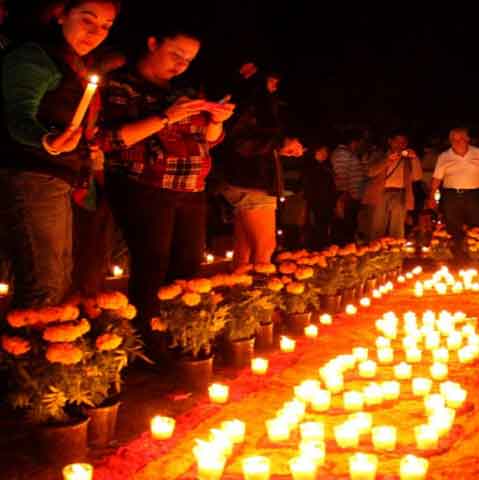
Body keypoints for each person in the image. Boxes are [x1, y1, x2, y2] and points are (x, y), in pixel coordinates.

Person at [97, 25, 235, 326]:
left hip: (192, 188)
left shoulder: (183, 92)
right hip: (144, 185)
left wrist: (217, 120)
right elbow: (111, 140)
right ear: (152, 43)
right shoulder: (122, 85)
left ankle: (181, 334)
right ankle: (148, 336)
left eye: (188, 60)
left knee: (188, 268)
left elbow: (207, 140)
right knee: (152, 266)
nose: (181, 65)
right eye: (176, 54)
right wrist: (165, 117)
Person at [0, 0, 120, 308]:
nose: (96, 32)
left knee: (60, 282)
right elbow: (18, 117)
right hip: (33, 174)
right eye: (87, 20)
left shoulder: (75, 64)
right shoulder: (33, 57)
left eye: (106, 26)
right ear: (60, 14)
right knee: (44, 285)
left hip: (62, 175)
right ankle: (27, 338)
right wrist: (47, 140)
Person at [213, 70, 303, 267]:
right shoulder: (251, 102)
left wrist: (281, 146)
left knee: (244, 251)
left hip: (244, 180)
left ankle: (240, 283)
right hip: (250, 180)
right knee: (264, 249)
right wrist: (279, 143)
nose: (275, 86)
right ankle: (260, 286)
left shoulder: (248, 101)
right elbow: (240, 142)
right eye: (271, 81)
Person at [427, 127, 479, 259]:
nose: (457, 142)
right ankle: (458, 257)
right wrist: (431, 197)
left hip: (473, 195)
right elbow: (437, 178)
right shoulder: (444, 156)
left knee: (477, 226)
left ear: (468, 139)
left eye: (461, 139)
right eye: (454, 139)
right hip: (451, 196)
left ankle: (476, 256)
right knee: (453, 227)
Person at [363, 130, 422, 240]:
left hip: (400, 193)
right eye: (397, 142)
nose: (400, 145)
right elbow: (370, 172)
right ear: (390, 141)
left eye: (403, 142)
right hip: (380, 193)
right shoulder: (379, 155)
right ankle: (376, 247)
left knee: (397, 228)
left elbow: (418, 176)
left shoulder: (408, 158)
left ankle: (396, 248)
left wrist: (414, 158)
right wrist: (387, 161)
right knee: (377, 226)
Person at [330, 129, 365, 243]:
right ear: (354, 142)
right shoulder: (342, 154)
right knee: (345, 228)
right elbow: (341, 175)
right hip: (347, 198)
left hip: (350, 197)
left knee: (349, 227)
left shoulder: (347, 153)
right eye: (360, 143)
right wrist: (343, 195)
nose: (360, 146)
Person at [302, 144, 338, 249]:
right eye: (324, 151)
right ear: (317, 152)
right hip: (318, 201)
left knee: (323, 225)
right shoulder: (313, 167)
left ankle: (321, 244)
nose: (326, 154)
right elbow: (311, 185)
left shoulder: (324, 167)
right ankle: (317, 246)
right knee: (318, 225)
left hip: (325, 201)